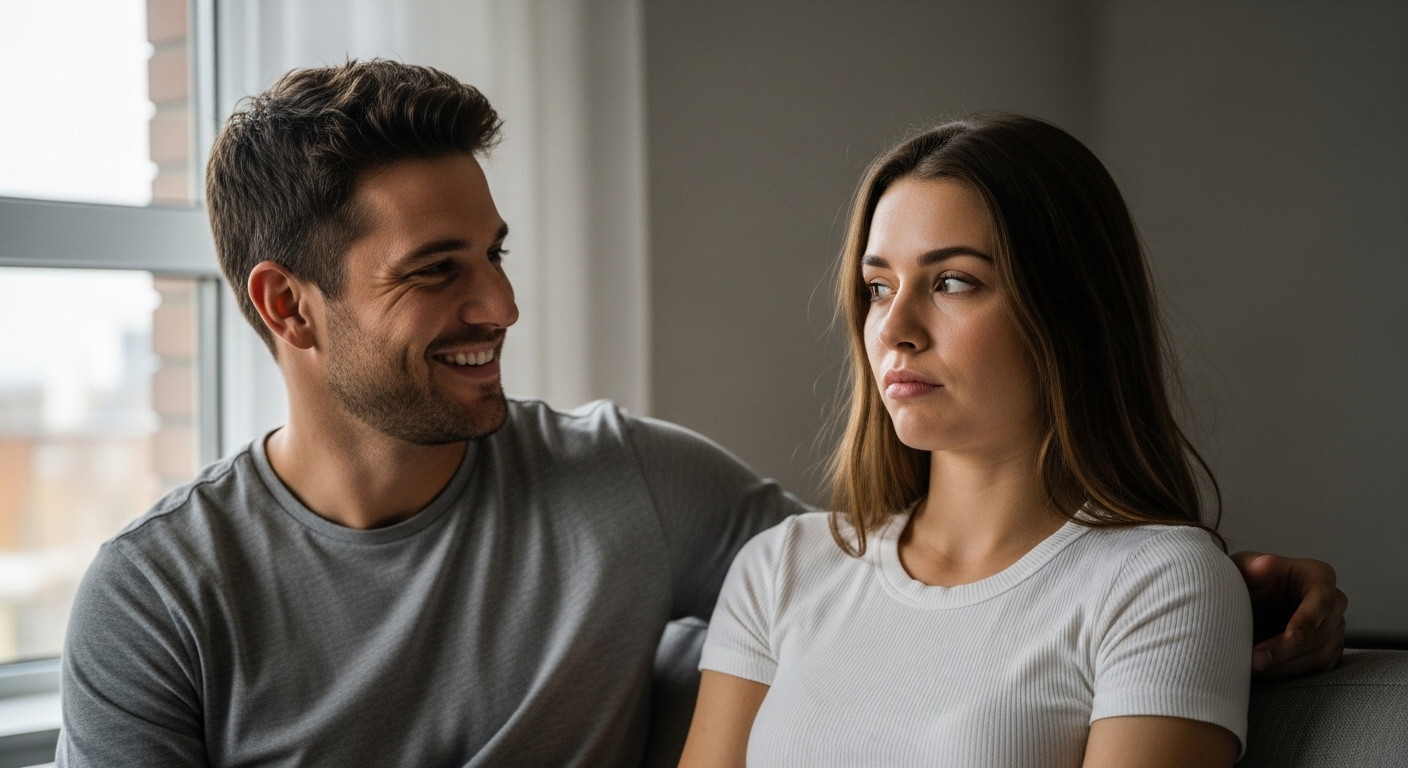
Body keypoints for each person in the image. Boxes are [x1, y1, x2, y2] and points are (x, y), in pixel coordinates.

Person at [55, 63, 1342, 767]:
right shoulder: (163, 596)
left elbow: (951, 590)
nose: (501, 304)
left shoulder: (633, 484)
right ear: (288, 306)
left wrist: (1220, 590)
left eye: (496, 253)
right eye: (438, 271)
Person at [678, 114, 1337, 767]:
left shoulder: (1160, 583)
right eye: (878, 288)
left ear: (1068, 310)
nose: (894, 328)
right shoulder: (779, 570)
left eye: (952, 282)